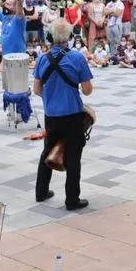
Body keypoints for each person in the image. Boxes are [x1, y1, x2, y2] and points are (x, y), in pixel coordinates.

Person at [33, 20, 94, 211]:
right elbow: (87, 90)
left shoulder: (43, 59)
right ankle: (72, 200)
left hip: (51, 114)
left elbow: (36, 89)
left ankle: (41, 192)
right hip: (72, 114)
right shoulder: (77, 58)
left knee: (47, 151)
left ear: (49, 37)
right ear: (70, 37)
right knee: (73, 156)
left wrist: (51, 98)